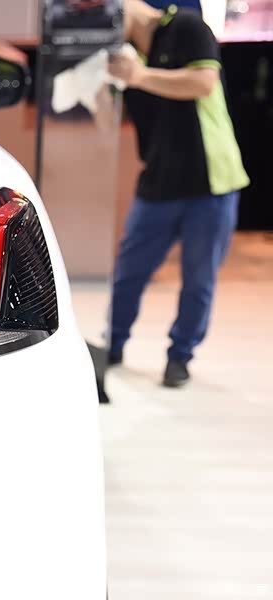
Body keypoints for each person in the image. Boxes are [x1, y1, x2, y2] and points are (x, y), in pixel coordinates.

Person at [104, 0, 249, 387]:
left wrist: (139, 76)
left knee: (199, 279)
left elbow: (203, 82)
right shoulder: (124, 58)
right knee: (129, 273)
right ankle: (113, 344)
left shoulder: (186, 27)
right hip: (158, 181)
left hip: (210, 181)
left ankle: (180, 355)